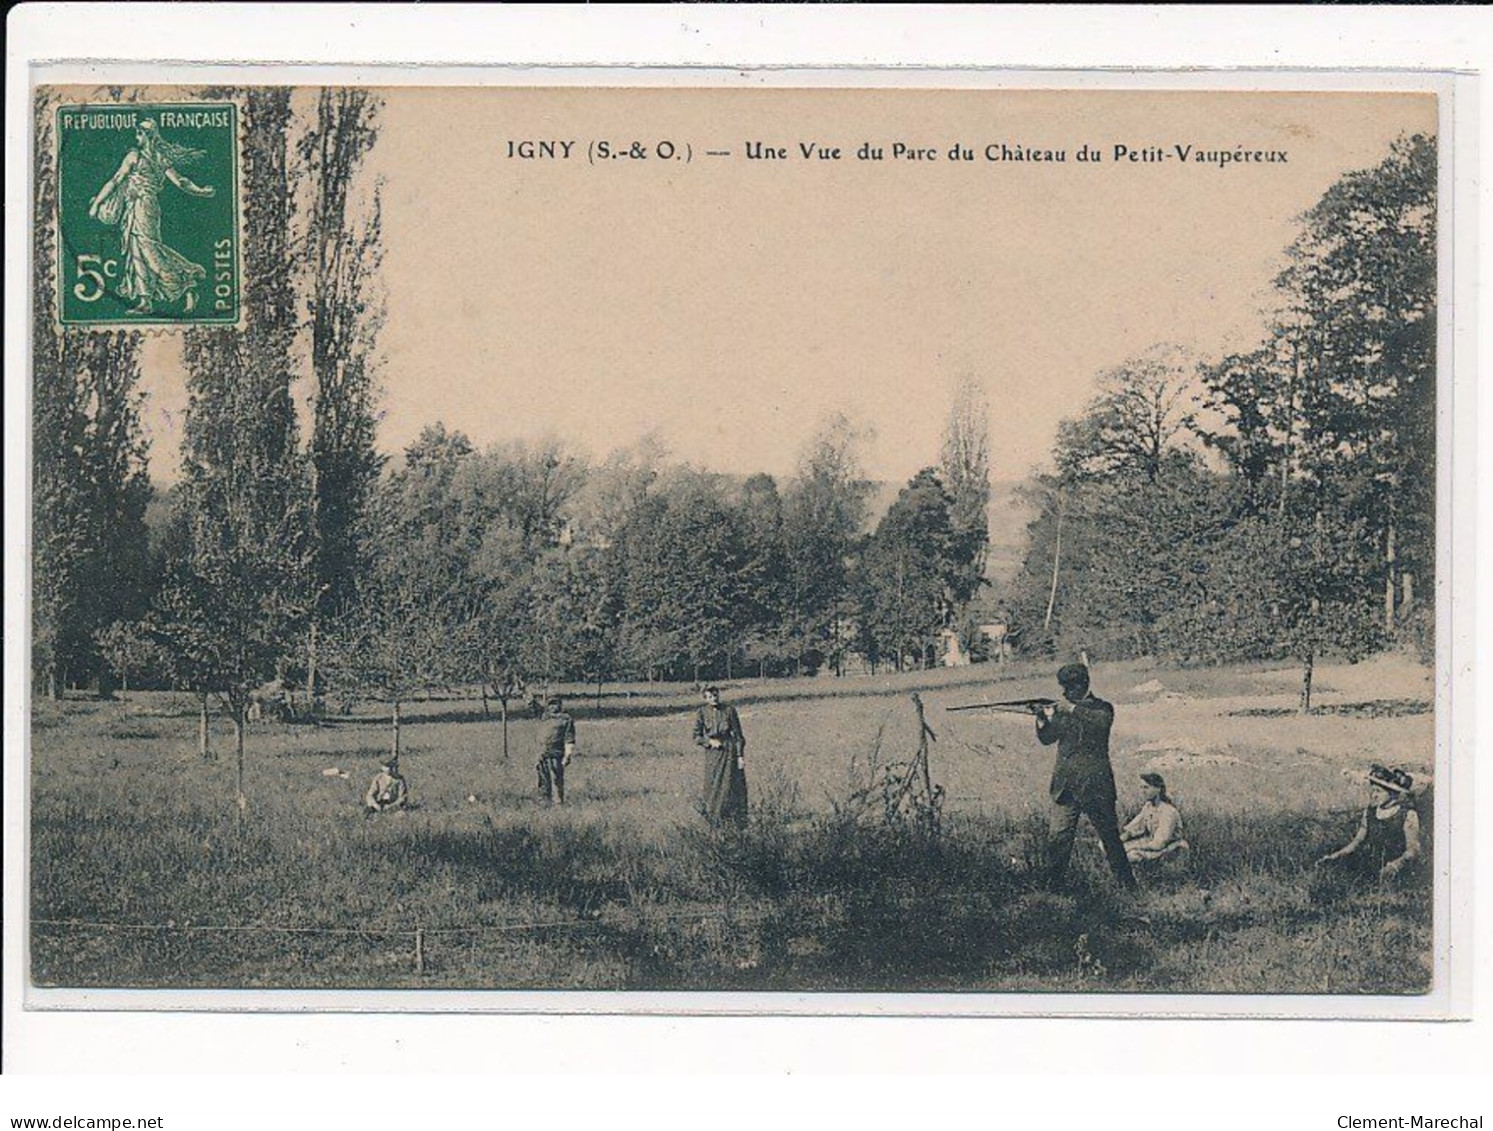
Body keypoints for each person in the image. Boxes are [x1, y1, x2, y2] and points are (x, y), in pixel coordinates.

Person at [87, 119, 215, 315]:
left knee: (149, 250)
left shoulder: (135, 156)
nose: (136, 137)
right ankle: (146, 300)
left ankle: (187, 283)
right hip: (141, 206)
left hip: (143, 206)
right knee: (137, 249)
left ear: (147, 135)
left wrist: (97, 204)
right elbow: (181, 182)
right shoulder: (160, 157)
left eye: (139, 134)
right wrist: (200, 191)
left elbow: (115, 180)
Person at [1035, 662, 1136, 891]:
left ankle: (1128, 886)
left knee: (1110, 839)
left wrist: (1069, 708)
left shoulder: (1102, 708)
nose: (1065, 692)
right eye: (1064, 688)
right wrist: (1041, 718)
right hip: (1065, 787)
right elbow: (1047, 738)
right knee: (1058, 840)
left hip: (1096, 786)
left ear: (1083, 685)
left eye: (1069, 687)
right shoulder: (1065, 709)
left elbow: (1100, 724)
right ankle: (1054, 890)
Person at [1317, 764, 1422, 882]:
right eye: (1373, 791)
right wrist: (1336, 856)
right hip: (1369, 865)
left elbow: (1413, 850)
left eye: (1379, 791)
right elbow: (1357, 841)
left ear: (1393, 794)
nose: (1374, 795)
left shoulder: (1407, 814)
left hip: (1394, 870)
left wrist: (1395, 865)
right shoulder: (1370, 812)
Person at [694, 685, 747, 826]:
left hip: (729, 752)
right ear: (705, 698)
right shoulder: (701, 712)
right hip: (713, 754)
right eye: (710, 697)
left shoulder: (729, 710)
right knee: (713, 785)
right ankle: (714, 819)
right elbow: (696, 736)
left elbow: (739, 736)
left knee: (731, 785)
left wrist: (740, 756)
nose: (714, 699)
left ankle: (734, 819)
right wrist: (710, 741)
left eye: (715, 695)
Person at [1121, 772, 1189, 864]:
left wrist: (1132, 847)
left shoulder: (1168, 812)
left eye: (1146, 787)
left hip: (1171, 848)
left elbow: (1159, 843)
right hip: (1152, 843)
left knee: (1130, 855)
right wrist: (1117, 842)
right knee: (1110, 849)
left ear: (1158, 789)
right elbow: (1135, 827)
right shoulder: (1148, 807)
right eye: (1141, 787)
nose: (1142, 791)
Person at [536, 696, 576, 805]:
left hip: (557, 754)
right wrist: (522, 687)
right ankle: (544, 802)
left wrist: (567, 756)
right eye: (550, 704)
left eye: (555, 704)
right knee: (543, 779)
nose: (553, 707)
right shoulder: (544, 716)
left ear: (560, 705)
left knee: (557, 780)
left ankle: (558, 804)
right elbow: (531, 703)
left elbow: (569, 739)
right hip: (542, 754)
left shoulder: (566, 719)